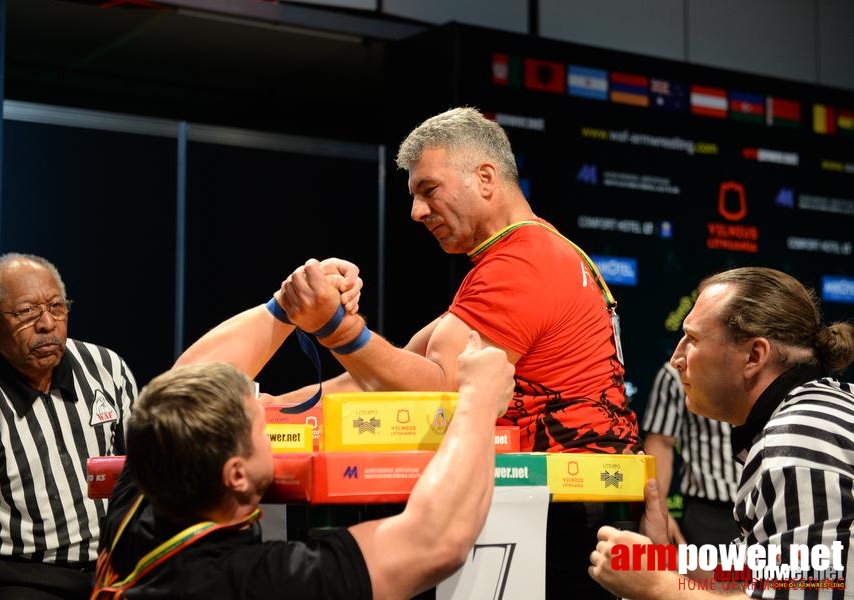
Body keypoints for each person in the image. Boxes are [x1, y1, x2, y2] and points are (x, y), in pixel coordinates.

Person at [268, 106, 641, 598]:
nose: (416, 212)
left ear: (485, 178)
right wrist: (267, 412)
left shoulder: (522, 264)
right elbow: (385, 373)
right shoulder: (535, 251)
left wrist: (336, 330)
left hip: (557, 513)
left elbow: (442, 389)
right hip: (562, 505)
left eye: (428, 190)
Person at [91, 268, 515, 599]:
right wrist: (478, 400)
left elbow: (187, 380)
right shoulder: (254, 582)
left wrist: (287, 306)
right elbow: (434, 540)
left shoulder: (143, 502)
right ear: (236, 475)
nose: (270, 411)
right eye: (262, 422)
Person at [589, 267, 854, 599]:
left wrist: (659, 587)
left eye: (693, 339)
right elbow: (760, 575)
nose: (676, 359)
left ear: (754, 356)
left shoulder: (799, 441)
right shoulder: (816, 413)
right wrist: (661, 558)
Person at [0, 253, 137, 600]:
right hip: (23, 577)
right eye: (26, 313)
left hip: (113, 565)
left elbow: (144, 472)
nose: (47, 323)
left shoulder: (106, 368)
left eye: (56, 306)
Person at [642, 361, 741, 546]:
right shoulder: (676, 373)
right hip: (708, 513)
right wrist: (659, 511)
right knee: (708, 575)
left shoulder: (772, 366)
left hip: (769, 503)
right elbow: (661, 443)